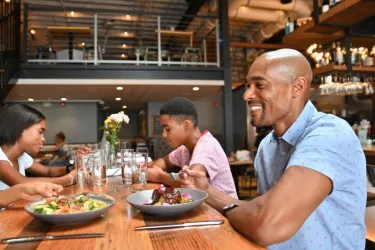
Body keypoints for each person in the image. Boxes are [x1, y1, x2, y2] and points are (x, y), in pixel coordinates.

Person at [179, 49, 366, 249]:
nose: (247, 95)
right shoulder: (267, 146)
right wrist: (206, 190)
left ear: (297, 87)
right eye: (249, 85)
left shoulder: (330, 134)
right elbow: (259, 210)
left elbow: (267, 224)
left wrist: (231, 210)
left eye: (259, 85)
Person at [147, 97, 237, 198]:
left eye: (168, 129)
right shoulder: (184, 148)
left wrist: (159, 176)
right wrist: (152, 169)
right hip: (204, 207)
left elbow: (190, 182)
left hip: (223, 212)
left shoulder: (206, 147)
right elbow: (164, 161)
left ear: (186, 125)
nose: (163, 135)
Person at [0, 104, 78, 191]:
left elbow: (47, 171)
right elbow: (22, 183)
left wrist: (70, 168)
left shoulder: (22, 156)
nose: (43, 139)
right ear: (20, 130)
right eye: (40, 132)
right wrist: (68, 179)